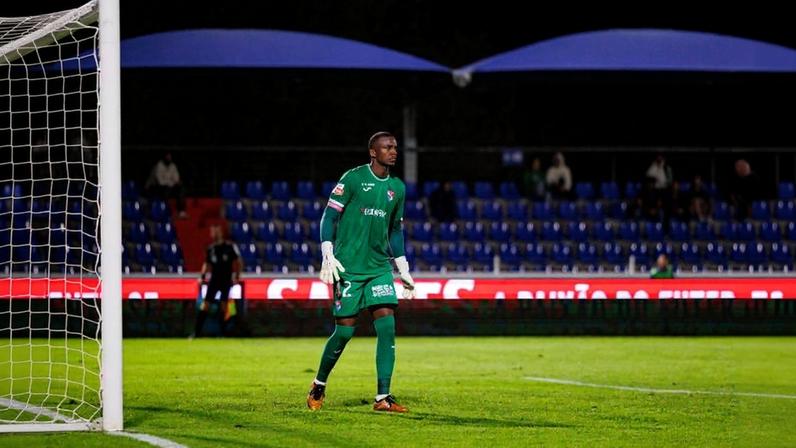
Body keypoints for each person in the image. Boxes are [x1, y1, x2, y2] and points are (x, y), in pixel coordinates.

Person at [307, 131, 415, 413]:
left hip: (379, 267)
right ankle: (319, 383)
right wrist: (327, 252)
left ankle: (383, 398)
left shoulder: (397, 188)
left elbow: (395, 230)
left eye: (394, 147)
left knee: (388, 327)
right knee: (344, 333)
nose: (393, 151)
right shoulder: (353, 179)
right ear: (373, 152)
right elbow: (329, 216)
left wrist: (402, 267)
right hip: (349, 268)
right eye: (387, 147)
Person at [193, 225, 241, 337]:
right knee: (205, 304)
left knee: (226, 306)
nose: (212, 233)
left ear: (220, 232)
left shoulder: (230, 247)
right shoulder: (211, 249)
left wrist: (237, 276)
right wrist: (202, 276)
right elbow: (206, 263)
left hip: (226, 280)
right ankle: (197, 332)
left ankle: (224, 332)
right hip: (214, 280)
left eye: (215, 231)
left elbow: (238, 262)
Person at [146, 152, 187, 218]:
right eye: (167, 157)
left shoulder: (173, 166)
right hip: (159, 187)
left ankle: (181, 211)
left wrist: (173, 182)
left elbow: (176, 178)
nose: (169, 158)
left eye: (170, 157)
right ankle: (165, 211)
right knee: (165, 190)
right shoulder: (159, 165)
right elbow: (160, 181)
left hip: (171, 186)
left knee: (181, 189)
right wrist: (170, 182)